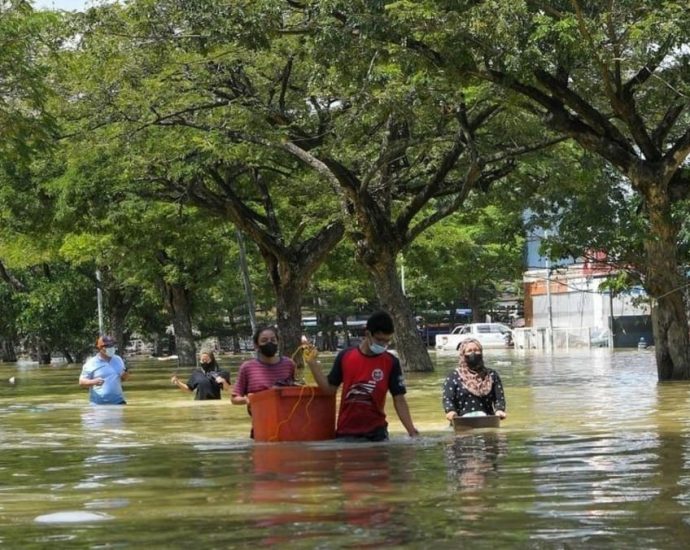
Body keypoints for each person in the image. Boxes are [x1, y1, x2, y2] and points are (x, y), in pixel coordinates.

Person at [305, 311, 419, 441]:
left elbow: (399, 399)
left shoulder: (391, 362)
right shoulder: (345, 356)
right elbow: (329, 389)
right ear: (368, 334)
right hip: (346, 432)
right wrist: (313, 365)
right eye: (379, 340)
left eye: (387, 341)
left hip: (377, 433)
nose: (383, 345)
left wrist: (411, 430)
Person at [442, 338, 507, 422]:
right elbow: (448, 399)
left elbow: (499, 399)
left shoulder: (491, 375)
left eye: (477, 350)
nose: (473, 353)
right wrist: (451, 411)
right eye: (469, 351)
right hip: (462, 423)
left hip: (487, 421)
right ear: (463, 354)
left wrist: (499, 410)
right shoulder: (453, 376)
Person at [231, 326, 296, 407]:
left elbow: (295, 391)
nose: (269, 343)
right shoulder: (247, 368)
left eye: (273, 340)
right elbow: (234, 398)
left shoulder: (289, 364)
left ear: (278, 342)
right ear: (256, 345)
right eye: (264, 340)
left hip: (285, 414)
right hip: (260, 415)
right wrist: (247, 399)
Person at [79, 335, 130, 405]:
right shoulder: (91, 363)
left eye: (112, 346)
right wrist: (93, 382)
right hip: (98, 405)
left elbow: (124, 379)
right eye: (108, 346)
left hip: (118, 402)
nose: (111, 348)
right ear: (100, 348)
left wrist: (125, 375)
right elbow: (81, 382)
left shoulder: (118, 359)